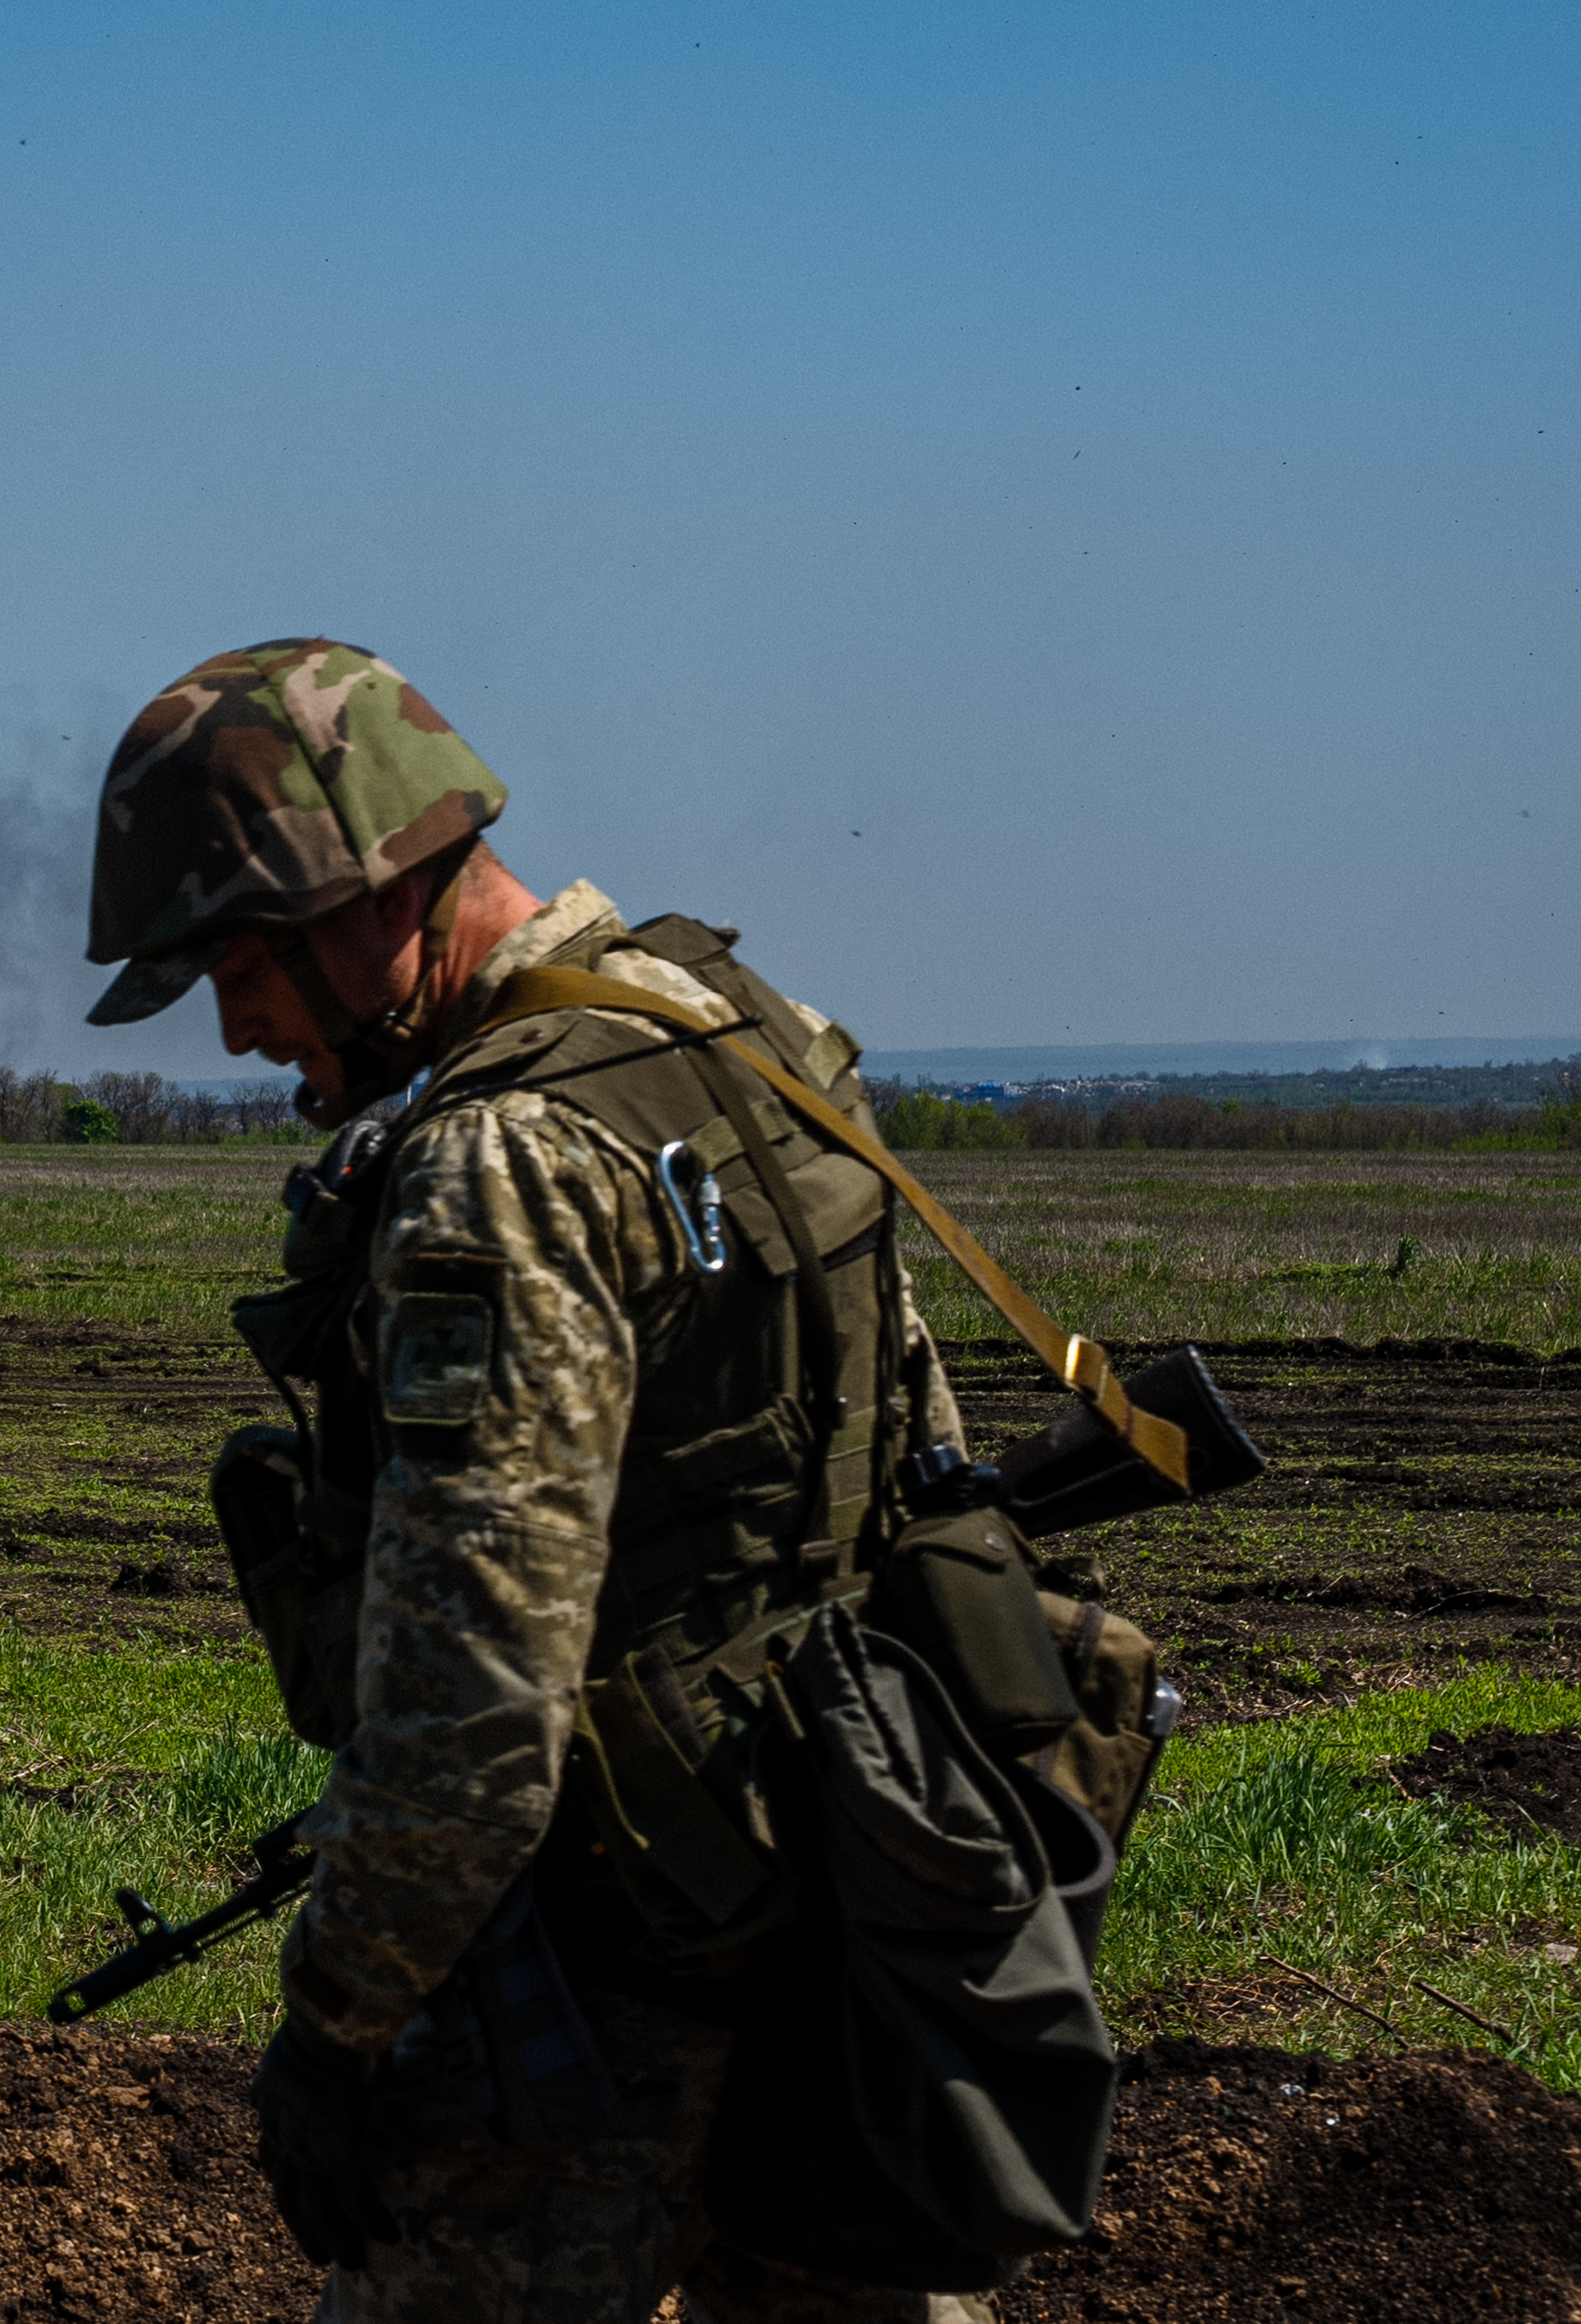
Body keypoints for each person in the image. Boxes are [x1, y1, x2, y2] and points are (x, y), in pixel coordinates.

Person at [84, 639, 993, 2324]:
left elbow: (471, 1705)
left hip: (608, 1967)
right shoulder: (745, 1030)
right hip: (856, 1902)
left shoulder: (502, 1160)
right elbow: (907, 1453)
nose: (238, 1029)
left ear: (378, 892)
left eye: (241, 963)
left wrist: (336, 2024)